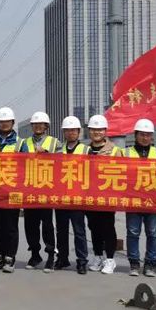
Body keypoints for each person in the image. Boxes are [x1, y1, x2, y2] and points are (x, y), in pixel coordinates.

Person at [19, 111, 61, 271]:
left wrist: (47, 154)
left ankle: (50, 255)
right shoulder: (24, 143)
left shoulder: (54, 142)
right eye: (35, 124)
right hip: (30, 189)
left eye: (40, 124)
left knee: (47, 225)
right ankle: (35, 254)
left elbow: (62, 163)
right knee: (30, 224)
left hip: (46, 189)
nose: (37, 126)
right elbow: (18, 163)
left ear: (46, 126)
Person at [84, 115, 123, 274]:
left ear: (105, 131)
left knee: (107, 227)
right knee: (94, 227)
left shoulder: (114, 150)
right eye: (93, 129)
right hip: (89, 195)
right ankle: (98, 256)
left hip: (107, 196)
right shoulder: (85, 150)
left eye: (100, 129)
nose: (96, 132)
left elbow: (122, 172)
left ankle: (110, 259)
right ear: (89, 131)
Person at [125, 118, 156, 277]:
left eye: (148, 135)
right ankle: (134, 263)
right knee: (133, 232)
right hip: (133, 199)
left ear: (152, 136)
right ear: (136, 135)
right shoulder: (126, 153)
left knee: (153, 233)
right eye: (142, 134)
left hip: (152, 199)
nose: (145, 137)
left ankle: (150, 264)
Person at [0, 107, 21, 273]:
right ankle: (0, 254)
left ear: (12, 123)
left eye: (7, 121)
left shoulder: (20, 143)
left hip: (13, 191)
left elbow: (27, 166)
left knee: (11, 226)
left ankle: (10, 258)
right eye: (1, 121)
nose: (4, 124)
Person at [55, 116, 89, 274]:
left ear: (79, 132)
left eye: (73, 130)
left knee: (79, 231)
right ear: (64, 132)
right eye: (67, 130)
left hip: (78, 197)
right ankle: (62, 259)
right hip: (61, 197)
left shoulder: (86, 150)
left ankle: (82, 261)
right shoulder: (58, 150)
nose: (70, 133)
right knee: (61, 230)